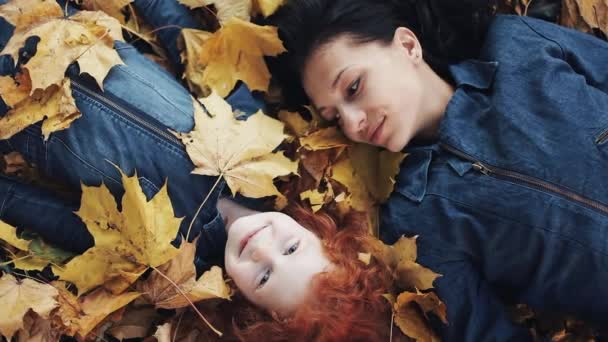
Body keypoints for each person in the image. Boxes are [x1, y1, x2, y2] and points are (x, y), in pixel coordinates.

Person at [0, 1, 397, 340]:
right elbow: (203, 59)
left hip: (13, 105)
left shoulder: (166, 257)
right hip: (57, 26)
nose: (262, 249)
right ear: (320, 234)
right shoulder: (264, 150)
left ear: (250, 311)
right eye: (291, 248)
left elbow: (55, 216)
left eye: (263, 278)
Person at [269, 0, 608, 340]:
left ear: (407, 46)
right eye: (336, 118)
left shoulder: (519, 46)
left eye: (354, 88)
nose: (353, 123)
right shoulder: (414, 220)